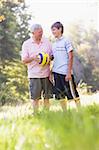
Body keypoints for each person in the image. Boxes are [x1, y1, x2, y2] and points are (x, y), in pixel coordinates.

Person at [21, 24, 52, 113]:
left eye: (42, 32)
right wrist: (34, 58)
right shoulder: (26, 44)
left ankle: (47, 114)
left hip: (46, 74)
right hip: (34, 75)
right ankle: (36, 114)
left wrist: (48, 58)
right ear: (33, 33)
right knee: (35, 97)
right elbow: (24, 60)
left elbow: (52, 55)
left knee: (47, 97)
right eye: (39, 32)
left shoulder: (47, 42)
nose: (41, 34)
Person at [51, 21, 80, 110]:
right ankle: (65, 113)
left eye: (54, 30)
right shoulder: (54, 44)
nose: (53, 32)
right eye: (52, 30)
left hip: (65, 73)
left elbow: (71, 56)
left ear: (60, 29)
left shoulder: (66, 41)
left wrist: (68, 73)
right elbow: (54, 58)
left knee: (73, 93)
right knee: (60, 95)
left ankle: (80, 111)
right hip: (56, 72)